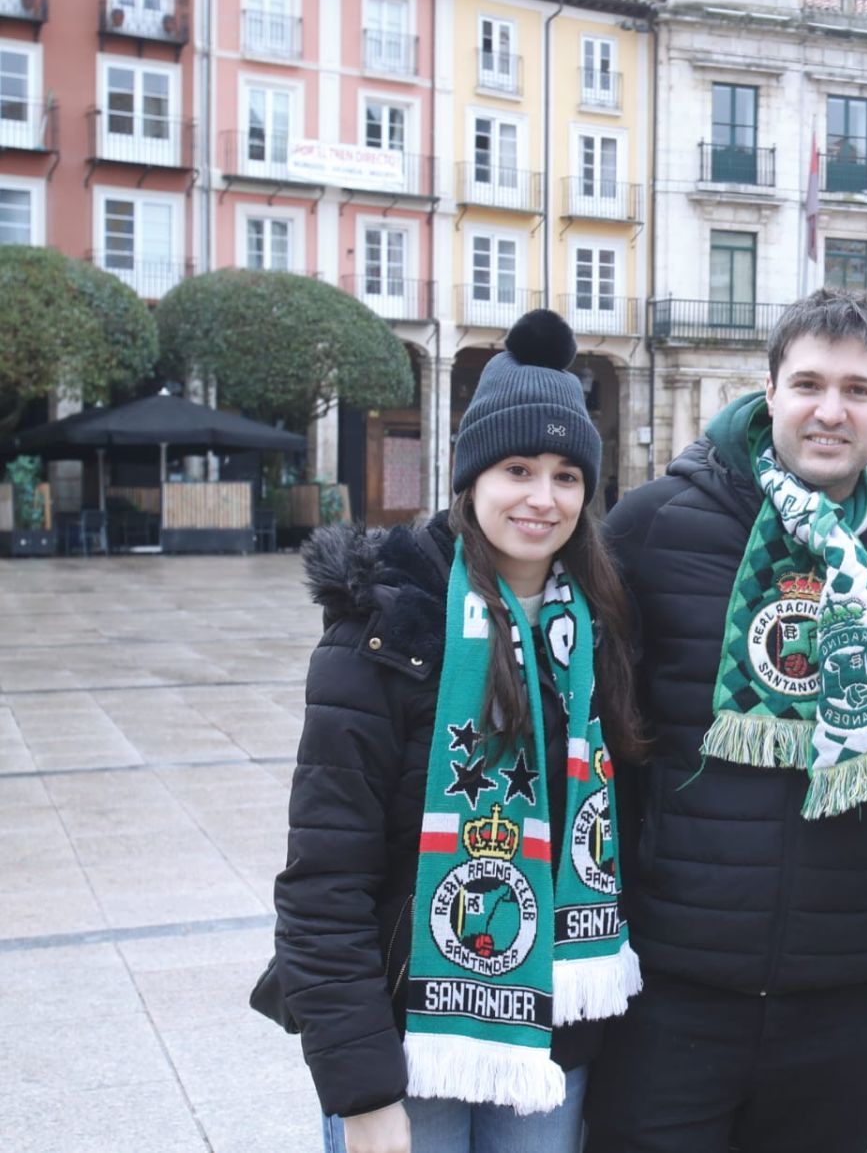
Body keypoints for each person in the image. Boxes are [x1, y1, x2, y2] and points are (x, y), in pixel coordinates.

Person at [266, 310, 646, 1153]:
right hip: (409, 1044)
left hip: (551, 1042)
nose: (542, 499)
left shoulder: (595, 633)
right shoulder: (384, 630)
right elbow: (322, 881)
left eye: (566, 475)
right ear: (470, 478)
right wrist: (362, 1091)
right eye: (516, 468)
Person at [587, 289, 867, 1153]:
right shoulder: (655, 525)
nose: (831, 411)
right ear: (768, 391)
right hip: (675, 980)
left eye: (859, 391)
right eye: (809, 385)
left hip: (840, 985)